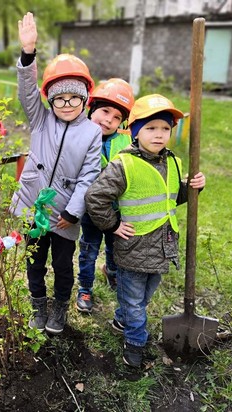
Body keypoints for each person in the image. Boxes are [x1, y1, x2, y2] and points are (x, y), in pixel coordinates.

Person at [85, 93, 206, 368]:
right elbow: (95, 198)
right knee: (136, 303)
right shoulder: (123, 164)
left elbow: (171, 197)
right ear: (136, 132)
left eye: (165, 129)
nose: (159, 135)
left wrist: (193, 187)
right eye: (151, 128)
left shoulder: (172, 162)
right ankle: (135, 344)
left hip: (162, 247)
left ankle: (121, 319)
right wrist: (113, 225)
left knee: (143, 295)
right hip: (134, 249)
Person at [12, 12, 102, 335]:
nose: (66, 104)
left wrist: (73, 212)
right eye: (59, 98)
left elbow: (89, 176)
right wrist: (28, 52)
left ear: (84, 98)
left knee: (63, 265)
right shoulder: (41, 119)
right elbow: (26, 92)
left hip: (64, 215)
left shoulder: (92, 133)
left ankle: (60, 305)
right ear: (50, 98)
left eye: (73, 97)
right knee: (34, 261)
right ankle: (38, 304)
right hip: (34, 209)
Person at [76, 78, 135, 313]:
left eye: (117, 117)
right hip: (90, 210)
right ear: (92, 108)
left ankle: (111, 272)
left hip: (117, 210)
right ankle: (85, 288)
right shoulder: (78, 134)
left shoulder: (127, 142)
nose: (109, 120)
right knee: (88, 249)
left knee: (115, 246)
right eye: (105, 111)